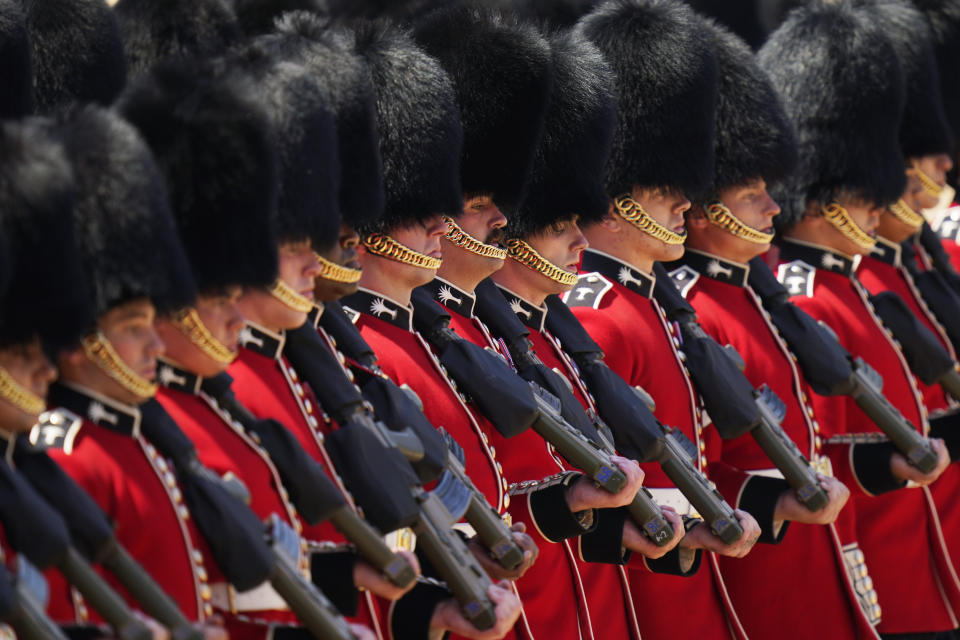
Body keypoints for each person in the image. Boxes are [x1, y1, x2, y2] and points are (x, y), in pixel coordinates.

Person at [413, 11, 661, 639]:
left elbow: (532, 490)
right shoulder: (424, 339)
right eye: (478, 206)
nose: (499, 217)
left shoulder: (502, 331)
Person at [665, 15, 881, 638]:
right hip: (757, 581)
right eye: (752, 191)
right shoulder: (696, 308)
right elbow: (698, 461)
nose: (773, 205)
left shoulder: (755, 297)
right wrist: (769, 501)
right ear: (704, 212)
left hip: (818, 564)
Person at [566, 1, 761, 637]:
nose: (684, 202)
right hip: (643, 599)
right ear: (617, 202)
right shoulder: (600, 315)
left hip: (694, 589)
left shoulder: (651, 302)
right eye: (662, 190)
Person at [759, 3, 955, 636]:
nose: (882, 202)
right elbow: (822, 451)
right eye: (864, 190)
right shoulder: (810, 298)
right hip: (883, 580)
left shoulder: (862, 283)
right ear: (825, 193)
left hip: (932, 565)